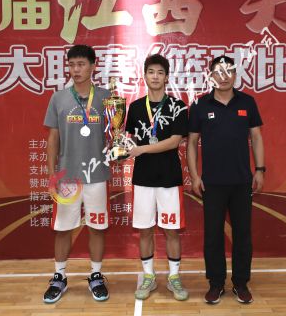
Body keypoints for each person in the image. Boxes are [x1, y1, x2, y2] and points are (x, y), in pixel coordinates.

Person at [186, 55, 265, 305]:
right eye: (218, 72)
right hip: (212, 183)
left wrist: (260, 170)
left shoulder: (247, 102)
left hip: (242, 181)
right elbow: (191, 143)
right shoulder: (201, 105)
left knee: (243, 234)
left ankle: (241, 283)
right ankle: (216, 283)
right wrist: (194, 176)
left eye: (228, 71)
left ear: (235, 75)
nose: (223, 76)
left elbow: (256, 137)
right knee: (213, 236)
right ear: (211, 76)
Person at [42, 44, 111, 303]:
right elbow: (53, 139)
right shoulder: (58, 98)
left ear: (93, 66)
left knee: (96, 228)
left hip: (97, 175)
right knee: (63, 228)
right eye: (71, 65)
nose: (76, 69)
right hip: (68, 177)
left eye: (81, 64)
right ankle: (59, 276)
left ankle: (96, 275)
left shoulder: (106, 97)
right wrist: (53, 175)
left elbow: (115, 135)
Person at [126, 54, 189, 301]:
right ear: (144, 75)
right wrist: (120, 149)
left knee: (171, 231)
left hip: (169, 178)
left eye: (160, 72)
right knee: (145, 231)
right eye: (151, 72)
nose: (155, 76)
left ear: (166, 77)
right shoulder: (135, 107)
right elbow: (130, 139)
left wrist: (141, 149)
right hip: (143, 178)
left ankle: (174, 277)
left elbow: (174, 141)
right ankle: (149, 276)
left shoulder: (178, 106)